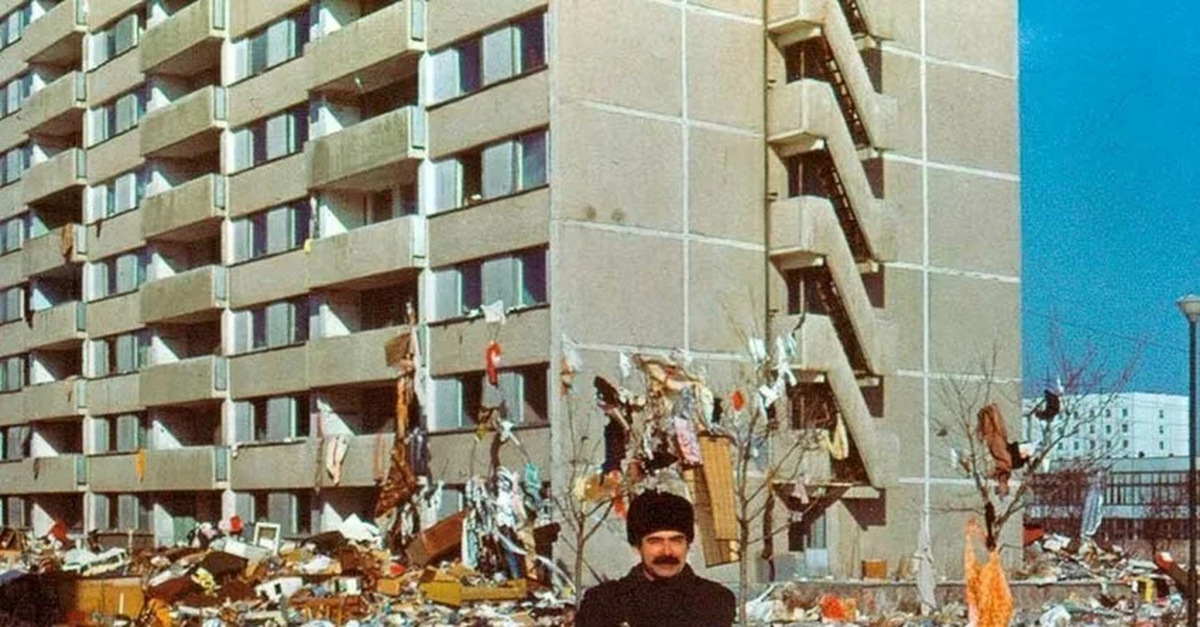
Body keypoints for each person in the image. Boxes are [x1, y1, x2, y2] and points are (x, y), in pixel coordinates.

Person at [576, 490, 736, 626]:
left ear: (688, 545)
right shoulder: (603, 603)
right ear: (637, 547)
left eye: (676, 540)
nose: (667, 551)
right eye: (655, 541)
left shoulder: (714, 600)